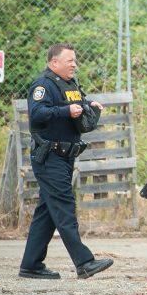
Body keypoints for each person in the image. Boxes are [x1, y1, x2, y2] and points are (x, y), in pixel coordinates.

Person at [18, 43, 114, 279]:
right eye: (69, 60)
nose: (74, 64)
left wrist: (89, 105)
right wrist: (65, 112)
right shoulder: (43, 85)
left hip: (65, 156)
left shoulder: (70, 84)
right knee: (64, 207)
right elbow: (37, 113)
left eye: (75, 60)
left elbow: (75, 105)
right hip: (49, 156)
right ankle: (84, 262)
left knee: (47, 213)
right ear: (54, 63)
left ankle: (31, 265)